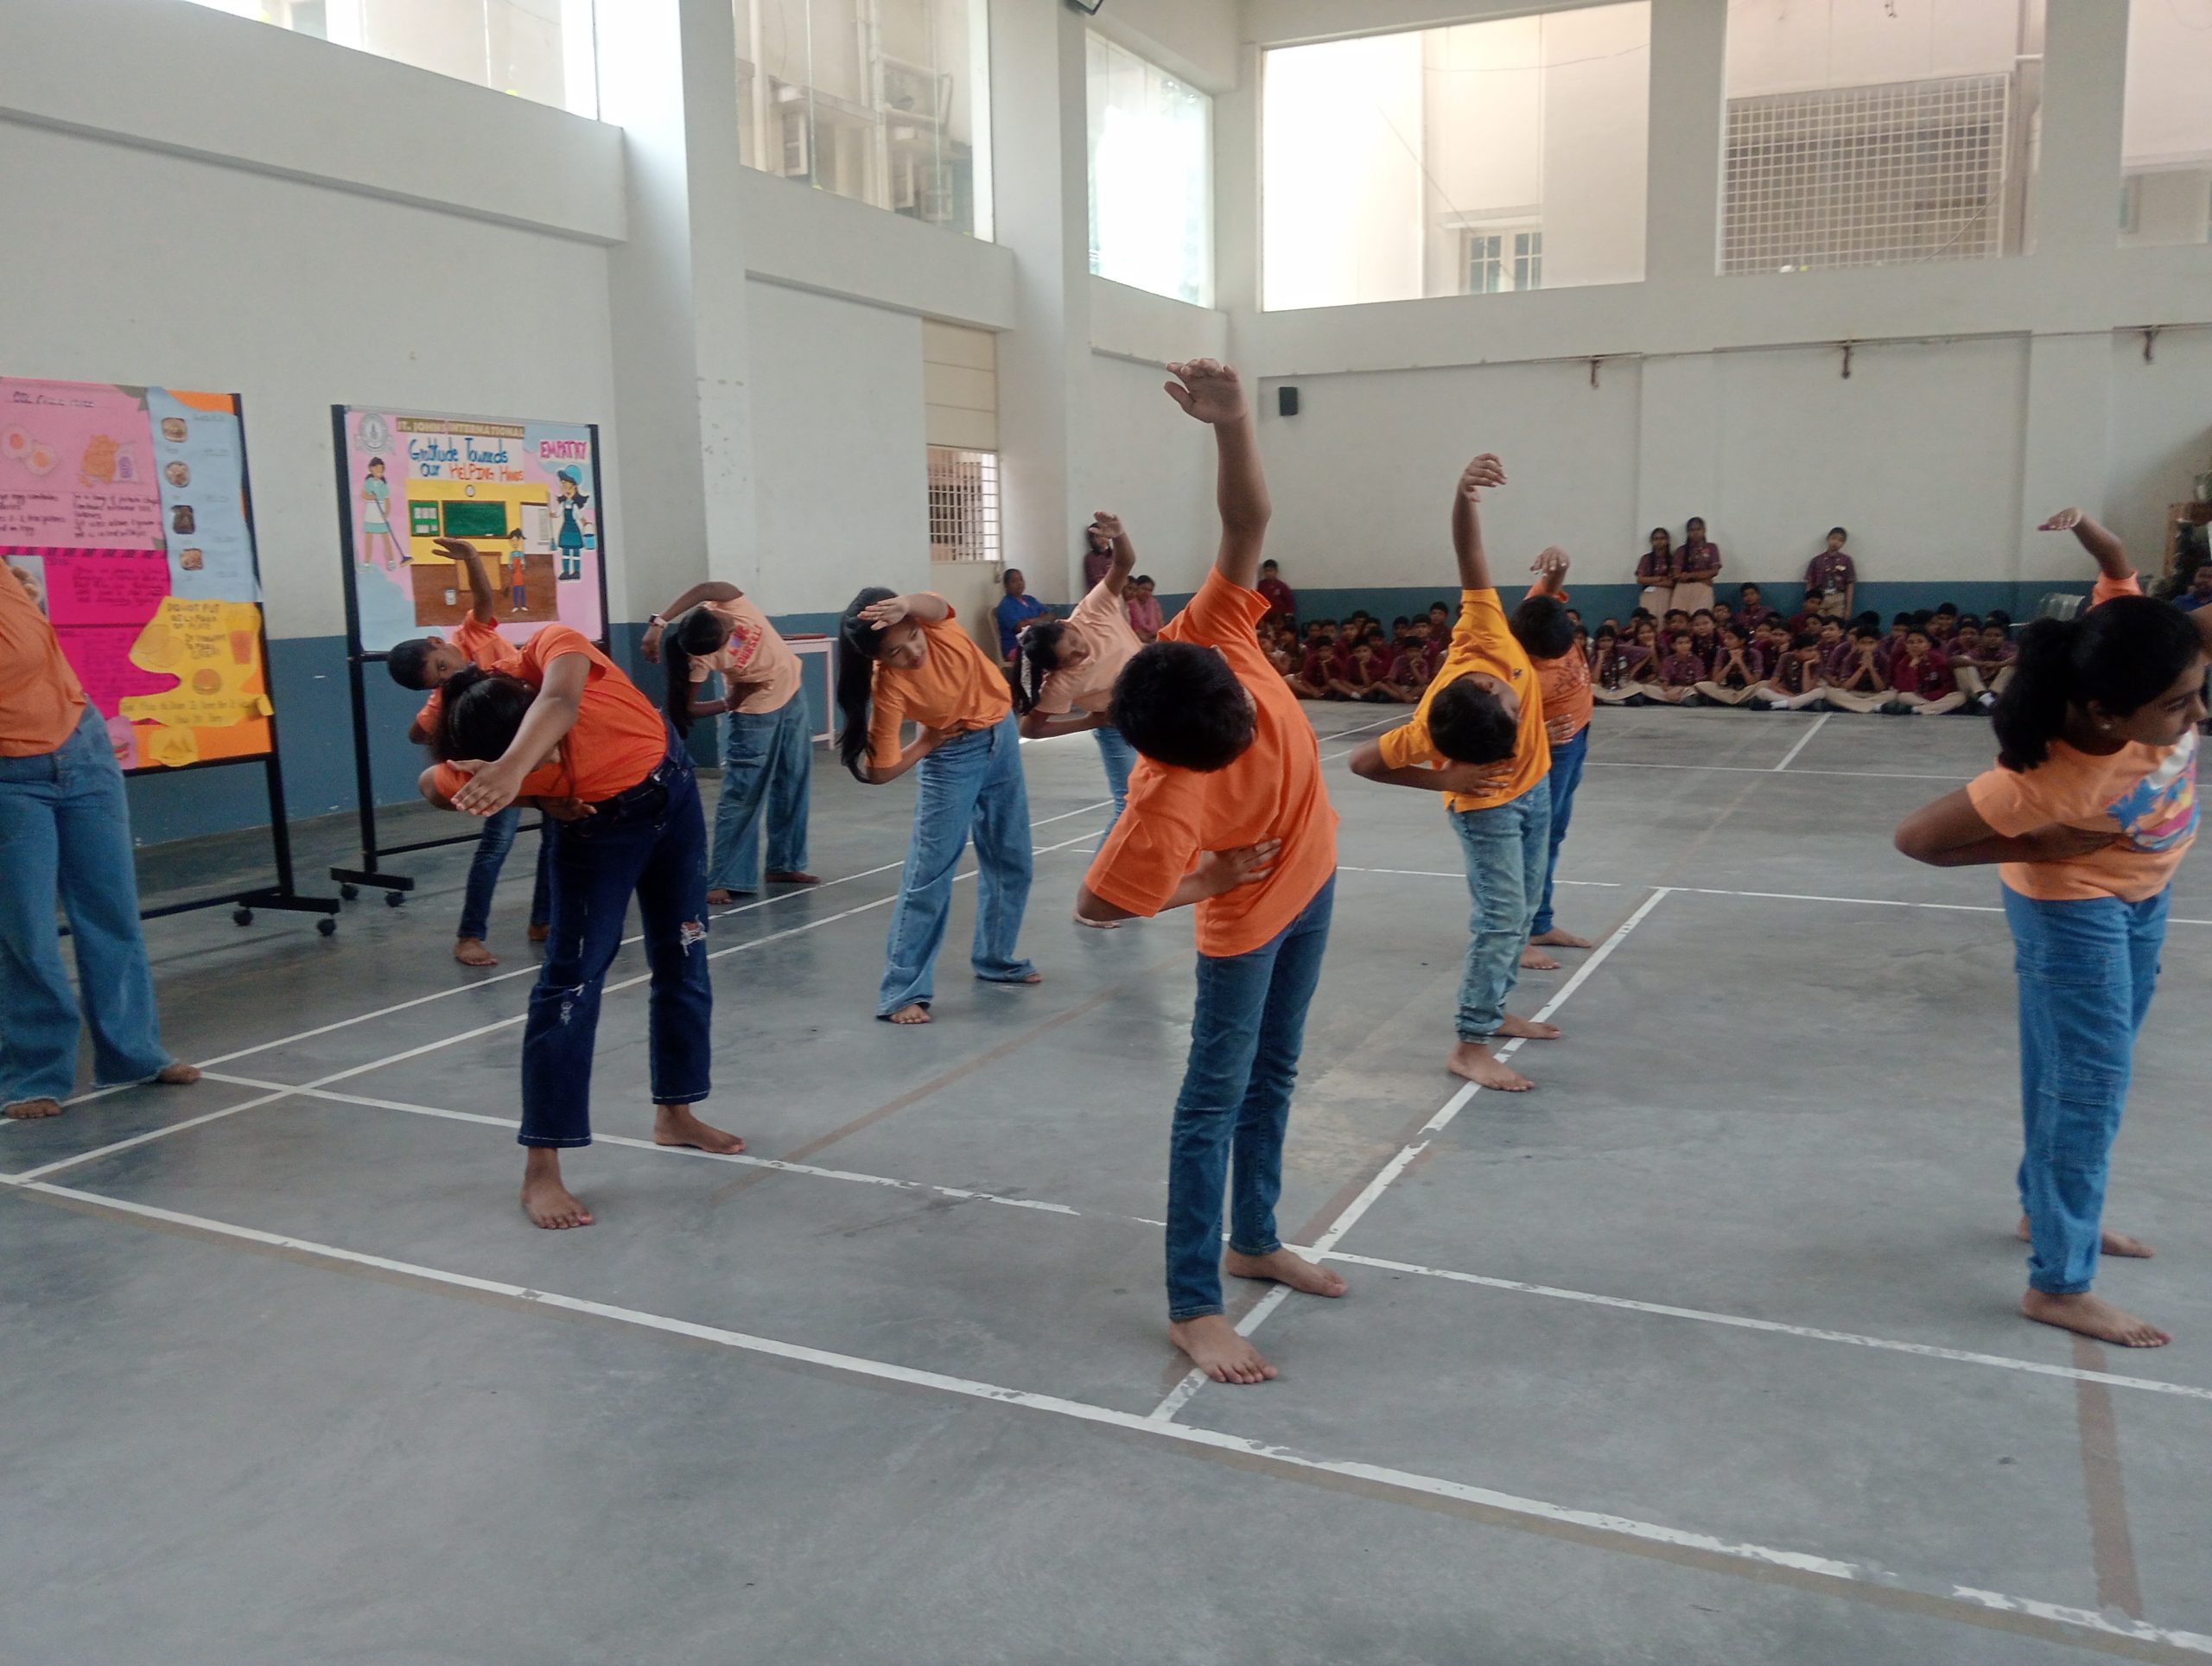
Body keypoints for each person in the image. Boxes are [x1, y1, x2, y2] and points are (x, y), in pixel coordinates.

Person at [1074, 358, 1346, 1388]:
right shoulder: (1160, 795)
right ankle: (1194, 1303)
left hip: (1314, 879)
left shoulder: (1212, 630)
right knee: (1212, 1098)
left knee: (1278, 1070)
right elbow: (1098, 904)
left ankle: (1255, 1238)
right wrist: (1210, 877)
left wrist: (1231, 424)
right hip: (1245, 922)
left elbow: (1245, 519)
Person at [1894, 506, 2207, 1349]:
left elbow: (2124, 572)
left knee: (2073, 1067)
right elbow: (1917, 839)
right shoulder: (2040, 779)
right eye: (2177, 706)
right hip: (2073, 911)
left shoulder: (2141, 647)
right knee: (2089, 1085)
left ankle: (2047, 1208)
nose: (2196, 715)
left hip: (2144, 895)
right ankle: (2060, 1284)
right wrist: (2038, 844)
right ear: (2105, 713)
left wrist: (2095, 536)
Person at [418, 626, 739, 1230]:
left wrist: (516, 770)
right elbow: (431, 787)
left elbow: (561, 700)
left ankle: (676, 1113)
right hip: (598, 832)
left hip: (672, 793)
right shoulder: (488, 767)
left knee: (684, 952)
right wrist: (533, 797)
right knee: (569, 988)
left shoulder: (550, 648)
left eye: (540, 749)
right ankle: (542, 1166)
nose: (548, 758)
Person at [1349, 452, 1559, 1092]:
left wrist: (1464, 493)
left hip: (1536, 788)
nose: (1523, 713)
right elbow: (1361, 763)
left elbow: (1469, 553)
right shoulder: (1424, 730)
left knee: (1525, 906)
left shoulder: (1483, 633)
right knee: (1500, 918)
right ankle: (1471, 1043)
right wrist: (1444, 782)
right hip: (1488, 810)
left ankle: (1497, 1009)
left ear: (1488, 684)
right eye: (1516, 717)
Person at [0, 566, 200, 1120]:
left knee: (111, 912)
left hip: (82, 749)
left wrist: (28, 597)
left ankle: (133, 1054)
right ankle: (34, 1074)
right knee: (25, 931)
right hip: (9, 775)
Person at [837, 588, 1039, 1025]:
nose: (912, 651)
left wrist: (906, 605)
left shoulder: (934, 624)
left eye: (911, 637)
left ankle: (996, 959)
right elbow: (879, 771)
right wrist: (926, 743)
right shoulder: (889, 686)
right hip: (952, 757)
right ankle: (901, 992)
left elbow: (934, 606)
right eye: (895, 652)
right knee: (929, 874)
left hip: (1002, 736)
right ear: (878, 659)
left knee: (1012, 857)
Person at [387, 537, 548, 968]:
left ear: (437, 641)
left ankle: (544, 920)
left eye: (442, 666)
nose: (450, 675)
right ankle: (469, 936)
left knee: (557, 835)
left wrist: (472, 557)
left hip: (540, 746)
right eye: (438, 681)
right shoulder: (446, 698)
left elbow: (482, 596)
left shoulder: (472, 633)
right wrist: (450, 724)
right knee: (497, 843)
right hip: (501, 764)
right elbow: (416, 734)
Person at [645, 580, 818, 905]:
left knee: (794, 781)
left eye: (725, 622)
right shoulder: (701, 659)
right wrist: (730, 702)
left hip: (793, 695)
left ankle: (784, 864)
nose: (732, 625)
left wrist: (659, 623)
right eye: (728, 631)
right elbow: (686, 709)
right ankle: (724, 878)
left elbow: (707, 588)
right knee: (743, 795)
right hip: (755, 716)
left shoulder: (725, 606)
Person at [1014, 510, 1145, 846]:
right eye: (1068, 658)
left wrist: (1118, 535)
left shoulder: (1093, 610)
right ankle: (1099, 877)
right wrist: (1092, 721)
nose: (1079, 653)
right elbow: (1030, 729)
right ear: (1055, 668)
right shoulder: (1061, 682)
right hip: (1118, 730)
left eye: (1073, 642)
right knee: (1129, 806)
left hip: (1158, 710)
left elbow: (1124, 563)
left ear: (1066, 625)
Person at [1515, 549, 1595, 971]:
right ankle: (1520, 934)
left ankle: (1541, 923)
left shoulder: (1539, 614)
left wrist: (1558, 564)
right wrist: (1535, 735)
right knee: (1536, 839)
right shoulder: (1511, 668)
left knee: (1554, 834)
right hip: (1550, 750)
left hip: (1576, 737)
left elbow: (1552, 581)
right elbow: (1488, 725)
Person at [1891, 627, 1966, 715]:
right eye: (1910, 642)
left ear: (1928, 645)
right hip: (1916, 698)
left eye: (1920, 642)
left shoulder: (1938, 659)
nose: (1915, 646)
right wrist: (1911, 668)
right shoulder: (1903, 663)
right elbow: (1904, 688)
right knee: (1902, 696)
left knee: (1960, 696)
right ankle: (1931, 708)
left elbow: (1948, 686)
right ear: (1906, 646)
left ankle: (1917, 710)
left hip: (1938, 697)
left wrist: (1929, 696)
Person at [1955, 619, 2019, 711]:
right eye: (1988, 635)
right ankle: (1985, 697)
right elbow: (1953, 661)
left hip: (2000, 694)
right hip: (1974, 693)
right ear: (1981, 638)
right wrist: (1981, 664)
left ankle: (1990, 699)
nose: (1992, 639)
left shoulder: (2008, 650)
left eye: (1997, 635)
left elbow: (2022, 658)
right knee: (1964, 664)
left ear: (2004, 638)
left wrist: (1999, 664)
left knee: (2011, 666)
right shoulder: (1977, 651)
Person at [1755, 633, 1830, 711]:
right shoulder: (1785, 657)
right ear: (1796, 652)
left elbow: (1806, 690)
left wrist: (1806, 666)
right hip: (1788, 693)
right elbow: (1773, 684)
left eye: (1815, 650)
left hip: (1806, 694)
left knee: (1821, 691)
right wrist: (1795, 697)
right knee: (1762, 692)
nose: (1814, 653)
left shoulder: (1817, 662)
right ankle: (1800, 704)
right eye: (1809, 650)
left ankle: (1776, 705)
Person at [1826, 625, 1892, 714]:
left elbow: (1881, 688)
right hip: (1854, 693)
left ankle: (1855, 707)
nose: (1867, 647)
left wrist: (1871, 668)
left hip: (1875, 695)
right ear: (1857, 644)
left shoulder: (1884, 659)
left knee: (1893, 694)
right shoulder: (1850, 658)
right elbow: (1845, 687)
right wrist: (1862, 668)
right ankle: (1872, 707)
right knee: (1829, 692)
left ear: (1878, 644)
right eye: (1863, 643)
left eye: (1871, 643)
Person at [1695, 624, 1764, 707]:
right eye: (1725, 638)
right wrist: (1731, 663)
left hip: (1747, 690)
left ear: (1742, 641)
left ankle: (1727, 701)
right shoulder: (1722, 652)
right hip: (1728, 690)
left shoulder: (1755, 654)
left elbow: (1753, 683)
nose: (1726, 641)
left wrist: (1740, 662)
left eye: (1730, 638)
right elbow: (1716, 680)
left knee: (1764, 684)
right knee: (1701, 685)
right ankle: (1739, 701)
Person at [992, 568, 1051, 663]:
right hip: (1016, 648)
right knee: (1051, 654)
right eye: (1014, 581)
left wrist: (1032, 621)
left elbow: (1050, 616)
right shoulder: (1006, 606)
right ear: (1006, 586)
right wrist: (1041, 619)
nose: (1019, 583)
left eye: (1021, 579)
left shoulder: (1030, 599)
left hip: (1036, 643)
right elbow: (1021, 628)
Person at [359, 457, 404, 572]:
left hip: (381, 511)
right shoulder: (368, 482)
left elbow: (387, 501)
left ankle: (391, 561)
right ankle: (367, 563)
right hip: (370, 512)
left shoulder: (383, 485)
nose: (379, 471)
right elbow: (363, 495)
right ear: (371, 468)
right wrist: (371, 497)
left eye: (382, 469)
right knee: (368, 539)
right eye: (377, 468)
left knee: (386, 539)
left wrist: (386, 513)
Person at [1675, 517, 1722, 615]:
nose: (1695, 532)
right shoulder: (1681, 550)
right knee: (1680, 617)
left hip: (1703, 589)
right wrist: (1703, 577)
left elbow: (1714, 571)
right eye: (1692, 530)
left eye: (1698, 529)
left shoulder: (1711, 547)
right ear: (1688, 532)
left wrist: (1690, 575)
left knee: (1701, 618)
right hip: (1683, 589)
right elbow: (1677, 575)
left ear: (1704, 530)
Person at [1805, 527, 1857, 618]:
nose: (1836, 542)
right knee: (1817, 622)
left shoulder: (1846, 561)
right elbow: (1810, 583)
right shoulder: (1817, 560)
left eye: (1840, 540)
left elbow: (1850, 584)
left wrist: (1848, 608)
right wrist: (1808, 603)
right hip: (1819, 597)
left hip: (1838, 597)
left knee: (1835, 623)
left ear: (1844, 543)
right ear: (1828, 539)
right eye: (1833, 538)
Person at [1651, 631, 1707, 705]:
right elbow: (1664, 682)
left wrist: (1680, 689)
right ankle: (1672, 699)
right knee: (1650, 688)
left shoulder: (1697, 661)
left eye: (1687, 643)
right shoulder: (1668, 660)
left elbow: (1699, 684)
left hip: (1688, 690)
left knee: (1694, 693)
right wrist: (1669, 690)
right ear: (1673, 646)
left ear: (1691, 644)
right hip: (1671, 690)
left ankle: (1682, 700)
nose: (1684, 646)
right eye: (1680, 643)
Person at [1635, 527, 1675, 617]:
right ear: (1651, 541)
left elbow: (1671, 583)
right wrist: (1660, 578)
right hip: (1648, 593)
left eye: (1662, 538)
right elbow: (1640, 580)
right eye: (1656, 539)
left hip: (1667, 593)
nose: (1659, 541)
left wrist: (1650, 581)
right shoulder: (1646, 558)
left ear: (1667, 540)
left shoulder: (1673, 559)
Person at [1256, 558, 1296, 629]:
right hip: (1264, 621)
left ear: (1276, 571)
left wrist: (1288, 619)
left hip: (1280, 621)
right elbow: (1257, 603)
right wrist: (1260, 619)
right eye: (1266, 571)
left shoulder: (1282, 586)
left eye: (1271, 571)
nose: (1268, 573)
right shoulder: (1260, 585)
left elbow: (1290, 604)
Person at [1125, 575, 1164, 644]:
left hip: (1155, 639)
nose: (1146, 593)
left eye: (1150, 590)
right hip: (1134, 641)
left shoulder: (1154, 604)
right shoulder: (1130, 604)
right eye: (1143, 589)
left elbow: (1160, 624)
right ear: (1136, 589)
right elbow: (1133, 629)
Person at [1082, 521, 1116, 590]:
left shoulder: (1114, 555)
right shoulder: (1092, 558)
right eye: (1098, 537)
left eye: (1104, 536)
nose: (1102, 539)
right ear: (1092, 540)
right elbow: (1101, 582)